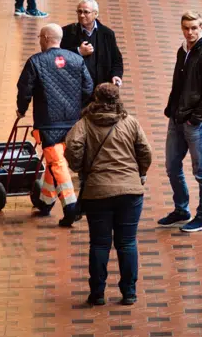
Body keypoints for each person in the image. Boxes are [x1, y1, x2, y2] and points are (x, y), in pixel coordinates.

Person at [65, 82, 152, 307]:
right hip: (130, 192)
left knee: (100, 244)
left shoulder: (84, 124)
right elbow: (145, 151)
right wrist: (140, 173)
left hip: (97, 192)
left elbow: (73, 147)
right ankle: (129, 292)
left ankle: (97, 293)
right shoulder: (130, 122)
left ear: (96, 99)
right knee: (127, 242)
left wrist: (80, 167)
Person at [16, 23, 94, 226]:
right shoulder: (77, 59)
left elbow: (25, 89)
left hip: (48, 124)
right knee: (55, 161)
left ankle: (70, 207)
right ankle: (45, 201)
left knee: (57, 163)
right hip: (73, 123)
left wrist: (21, 109)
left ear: (44, 38)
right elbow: (88, 87)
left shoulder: (36, 61)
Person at [160, 11, 202, 233]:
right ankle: (181, 209)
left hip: (196, 123)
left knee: (201, 171)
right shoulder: (183, 50)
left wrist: (194, 119)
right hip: (177, 118)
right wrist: (172, 110)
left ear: (201, 27)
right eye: (186, 28)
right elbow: (178, 84)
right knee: (171, 166)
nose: (190, 32)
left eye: (194, 28)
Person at [60, 0, 125, 88]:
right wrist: (78, 51)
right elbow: (58, 57)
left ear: (95, 14)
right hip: (76, 89)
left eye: (86, 12)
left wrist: (116, 75)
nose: (82, 15)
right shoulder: (67, 32)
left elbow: (116, 60)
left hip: (100, 88)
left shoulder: (107, 34)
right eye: (79, 12)